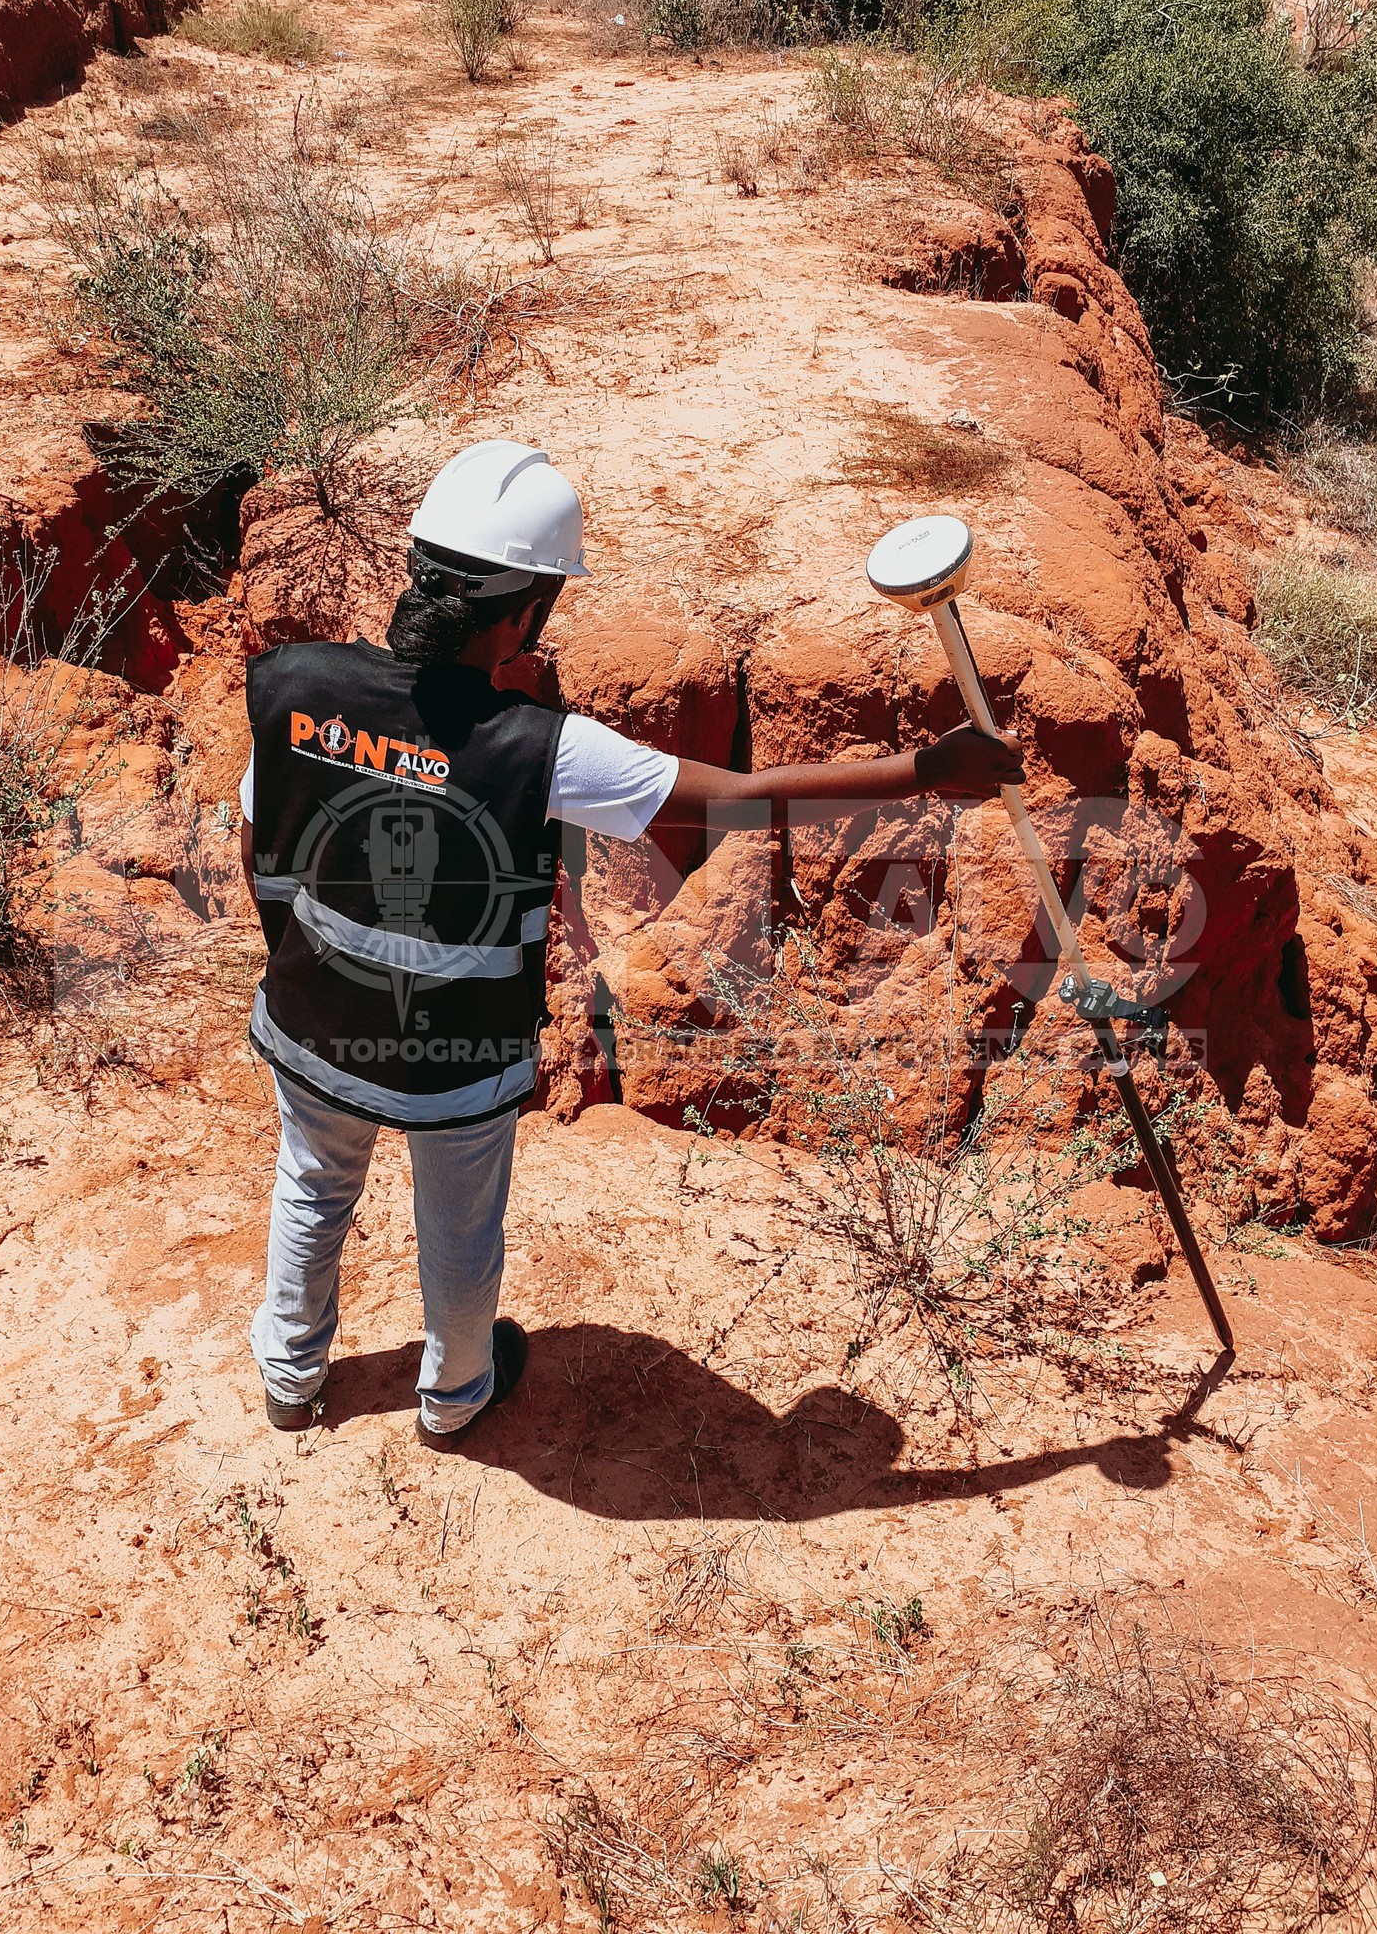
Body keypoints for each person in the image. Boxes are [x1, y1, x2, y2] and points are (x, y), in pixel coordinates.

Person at [239, 440, 1023, 1449]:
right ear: (526, 613)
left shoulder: (297, 684)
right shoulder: (539, 744)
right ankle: (455, 1394)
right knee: (461, 1225)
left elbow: (262, 832)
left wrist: (288, 957)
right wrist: (927, 766)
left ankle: (291, 1378)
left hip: (311, 1021)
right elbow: (738, 799)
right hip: (457, 1055)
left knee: (312, 1186)